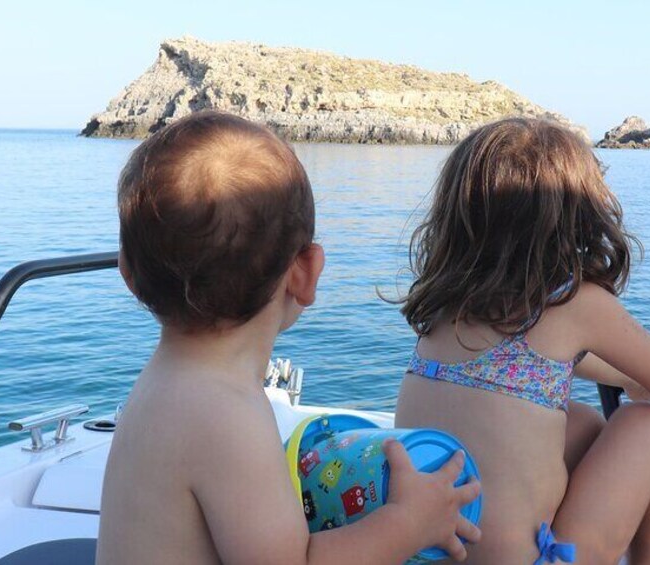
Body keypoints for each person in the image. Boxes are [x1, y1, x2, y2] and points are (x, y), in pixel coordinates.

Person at [97, 111, 481, 565]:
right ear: (305, 274)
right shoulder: (227, 415)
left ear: (127, 272)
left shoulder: (167, 383)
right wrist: (410, 522)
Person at [393, 118, 650, 564]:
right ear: (577, 216)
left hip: (421, 551)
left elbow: (529, 361)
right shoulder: (574, 302)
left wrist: (629, 378)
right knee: (648, 423)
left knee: (585, 422)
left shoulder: (447, 306)